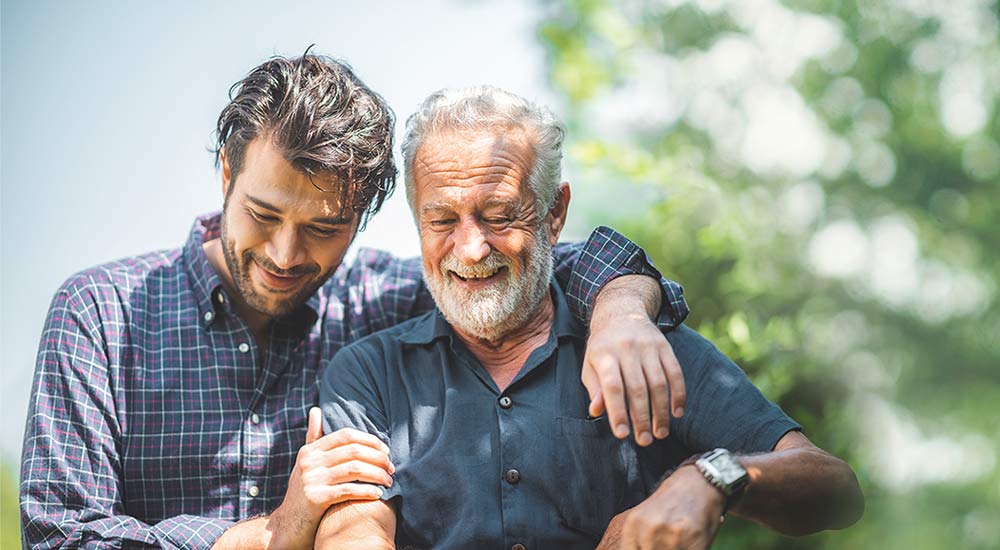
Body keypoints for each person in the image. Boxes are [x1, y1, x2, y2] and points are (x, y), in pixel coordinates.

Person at [19, 54, 692, 550]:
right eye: (261, 214)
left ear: (364, 216)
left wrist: (622, 310)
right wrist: (264, 537)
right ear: (226, 174)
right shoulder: (100, 315)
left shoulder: (383, 298)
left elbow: (530, 262)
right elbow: (58, 538)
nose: (285, 255)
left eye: (322, 228)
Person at [315, 86, 865, 549]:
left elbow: (835, 489)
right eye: (441, 219)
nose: (471, 248)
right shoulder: (368, 372)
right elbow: (354, 529)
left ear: (554, 213)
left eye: (500, 215)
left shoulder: (640, 345)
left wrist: (710, 477)